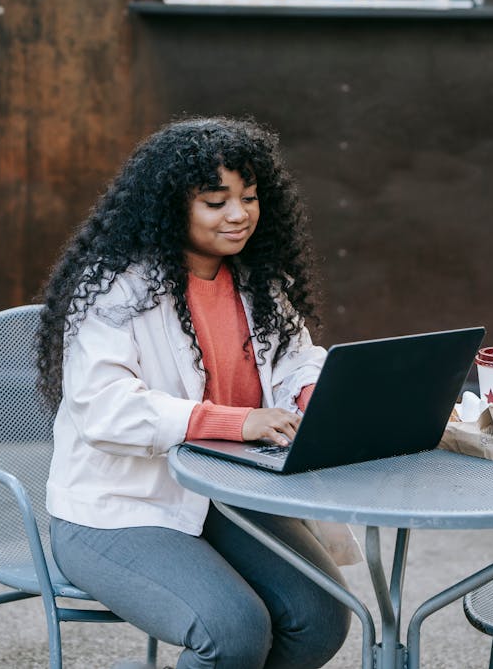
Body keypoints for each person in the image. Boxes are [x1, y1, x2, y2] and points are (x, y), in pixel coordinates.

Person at [35, 116, 351, 669]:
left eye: (249, 197)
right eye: (215, 201)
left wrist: (314, 393)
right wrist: (237, 422)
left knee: (322, 618)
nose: (239, 215)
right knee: (233, 630)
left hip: (226, 495)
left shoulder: (259, 277)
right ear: (168, 207)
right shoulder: (115, 288)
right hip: (120, 508)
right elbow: (105, 411)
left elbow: (296, 358)